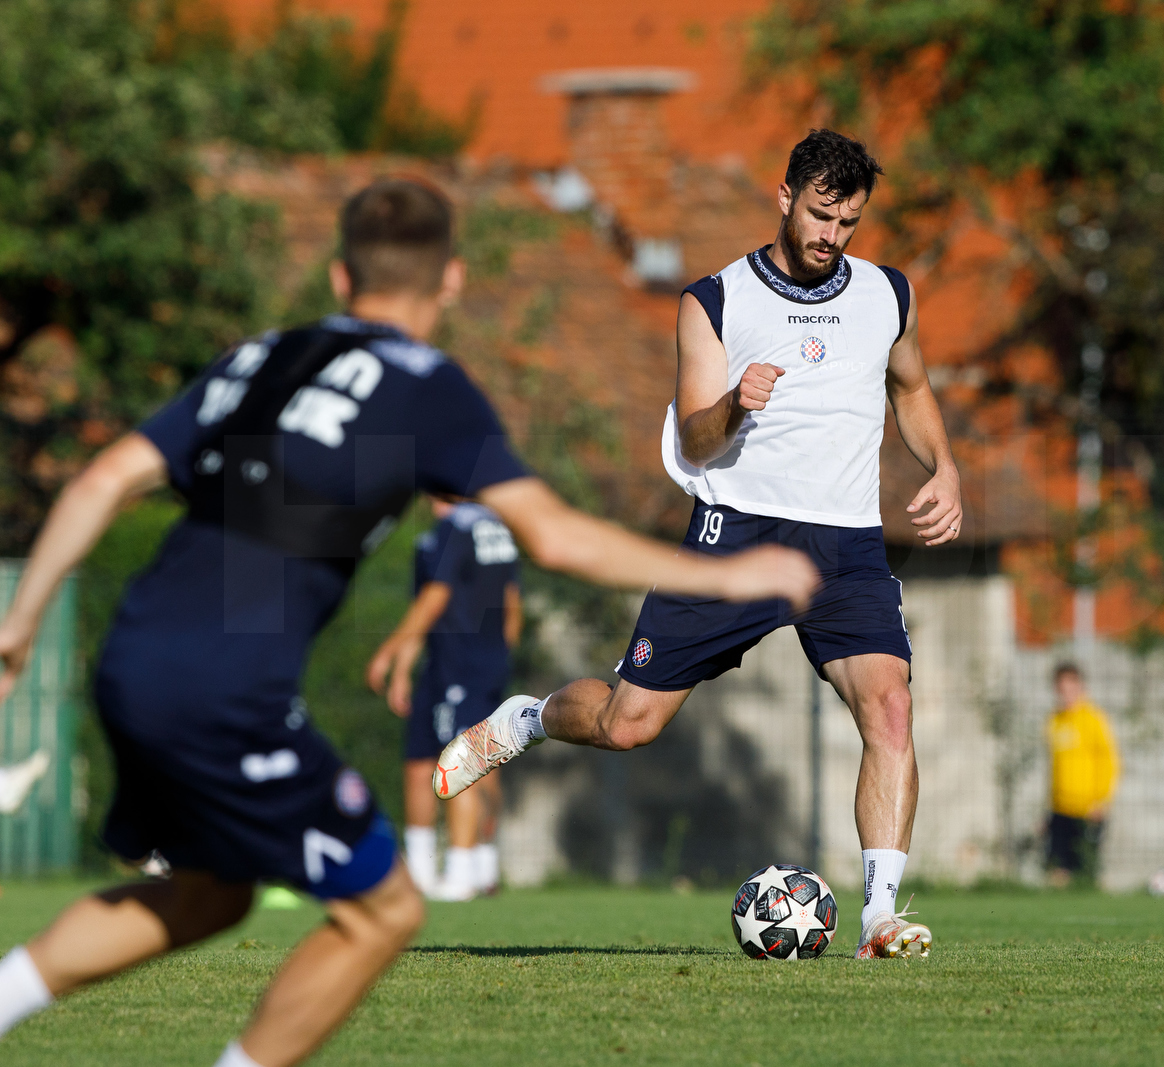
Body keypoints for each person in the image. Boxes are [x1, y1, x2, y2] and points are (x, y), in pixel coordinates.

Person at [0, 178, 817, 1066]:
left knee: (213, 892)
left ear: (341, 278)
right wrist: (724, 571)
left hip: (132, 656)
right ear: (453, 281)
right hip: (222, 688)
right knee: (383, 907)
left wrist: (18, 628)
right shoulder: (426, 385)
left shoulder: (261, 359)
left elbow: (98, 482)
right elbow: (552, 532)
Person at [433, 129, 964, 960]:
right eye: (821, 215)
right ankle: (527, 719)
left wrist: (946, 467)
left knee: (889, 708)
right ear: (784, 197)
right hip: (734, 537)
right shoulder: (715, 301)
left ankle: (880, 917)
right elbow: (698, 436)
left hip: (849, 545)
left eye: (849, 222)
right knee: (626, 723)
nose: (832, 236)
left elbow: (914, 386)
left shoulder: (886, 294)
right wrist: (738, 404)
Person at [366, 495, 521, 901]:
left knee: (465, 761)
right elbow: (507, 607)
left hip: (464, 665)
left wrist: (387, 652)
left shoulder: (461, 526)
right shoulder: (488, 528)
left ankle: (462, 870)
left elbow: (435, 597)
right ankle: (424, 872)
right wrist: (405, 670)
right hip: (446, 666)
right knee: (422, 761)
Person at [1045, 663, 1119, 888]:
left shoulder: (1093, 719)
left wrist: (1101, 800)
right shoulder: (1054, 721)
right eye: (1061, 688)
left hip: (1088, 808)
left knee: (1085, 868)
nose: (1066, 693)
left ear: (1080, 687)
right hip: (1060, 808)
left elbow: (1109, 762)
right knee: (1057, 868)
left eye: (1070, 687)